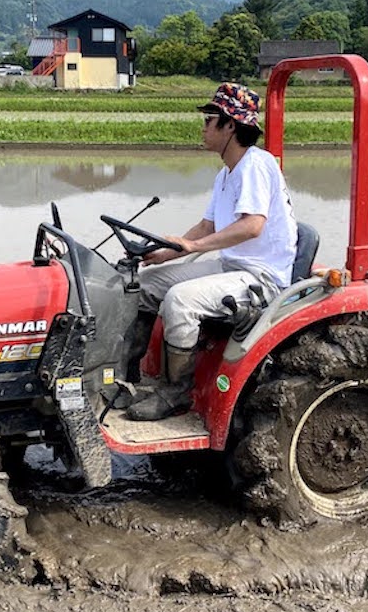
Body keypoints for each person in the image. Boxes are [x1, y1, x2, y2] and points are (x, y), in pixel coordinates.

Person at [126, 82, 298, 421]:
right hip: (231, 266)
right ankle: (129, 376)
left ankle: (177, 394)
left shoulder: (257, 165)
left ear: (230, 125)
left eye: (209, 120)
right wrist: (167, 252)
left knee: (179, 300)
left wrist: (194, 247)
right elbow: (206, 228)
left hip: (261, 277)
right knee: (146, 284)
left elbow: (252, 225)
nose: (203, 128)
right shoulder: (226, 173)